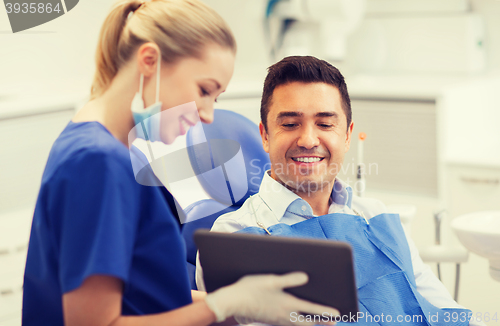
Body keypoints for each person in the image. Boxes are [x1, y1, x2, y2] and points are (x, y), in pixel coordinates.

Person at [22, 2, 341, 325]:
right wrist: (218, 307)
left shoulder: (96, 145)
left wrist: (241, 302)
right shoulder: (99, 162)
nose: (208, 115)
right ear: (149, 61)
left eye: (214, 98)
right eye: (204, 90)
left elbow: (141, 293)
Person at [196, 56, 485, 326]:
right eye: (289, 124)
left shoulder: (378, 216)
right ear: (265, 136)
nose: (308, 139)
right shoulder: (232, 237)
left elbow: (442, 309)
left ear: (347, 135)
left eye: (324, 123)